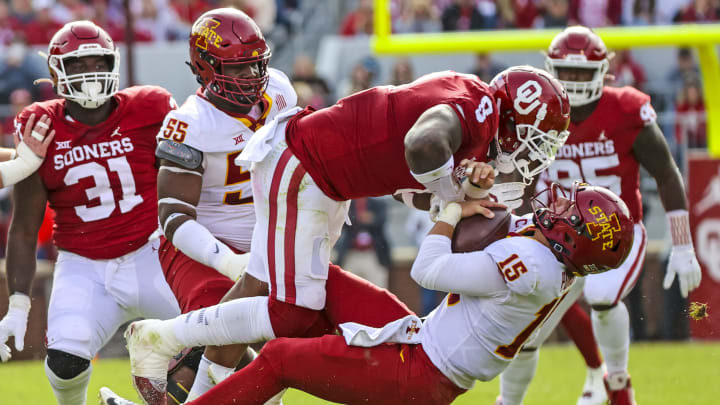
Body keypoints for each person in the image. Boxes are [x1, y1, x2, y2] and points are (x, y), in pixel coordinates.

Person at [123, 65, 571, 402]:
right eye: (536, 139)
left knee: (260, 289)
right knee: (291, 313)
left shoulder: (471, 99)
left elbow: (401, 181)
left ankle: (198, 391)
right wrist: (451, 191)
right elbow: (422, 146)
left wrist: (451, 197)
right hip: (305, 167)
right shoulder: (474, 114)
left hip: (321, 178)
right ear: (516, 117)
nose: (535, 155)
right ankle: (161, 338)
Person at [99, 181, 636, 405]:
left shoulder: (533, 266)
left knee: (282, 358)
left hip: (421, 372)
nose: (556, 209)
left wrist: (450, 212)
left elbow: (429, 270)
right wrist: (472, 190)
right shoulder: (553, 261)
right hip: (423, 343)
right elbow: (507, 218)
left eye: (569, 214)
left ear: (572, 237)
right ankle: (171, 344)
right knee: (309, 282)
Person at [496, 26, 703, 405]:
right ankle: (507, 402)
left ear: (602, 72)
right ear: (551, 69)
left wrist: (683, 244)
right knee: (523, 332)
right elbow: (522, 180)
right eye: (566, 72)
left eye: (581, 73)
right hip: (555, 240)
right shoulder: (539, 114)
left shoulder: (625, 108)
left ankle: (619, 383)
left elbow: (666, 171)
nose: (573, 81)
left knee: (604, 295)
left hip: (614, 235)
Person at [0, 20, 181, 405]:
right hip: (85, 266)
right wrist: (18, 303)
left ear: (112, 62)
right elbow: (24, 226)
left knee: (213, 340)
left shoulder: (150, 106)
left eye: (96, 61)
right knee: (64, 362)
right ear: (54, 72)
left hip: (154, 253)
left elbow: (187, 183)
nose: (89, 73)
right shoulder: (40, 123)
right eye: (77, 65)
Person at [154, 7, 297, 404]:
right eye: (237, 69)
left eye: (256, 66)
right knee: (226, 341)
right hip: (201, 248)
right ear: (205, 67)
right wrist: (227, 262)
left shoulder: (281, 91)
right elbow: (173, 218)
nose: (251, 79)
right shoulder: (189, 123)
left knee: (274, 350)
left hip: (266, 244)